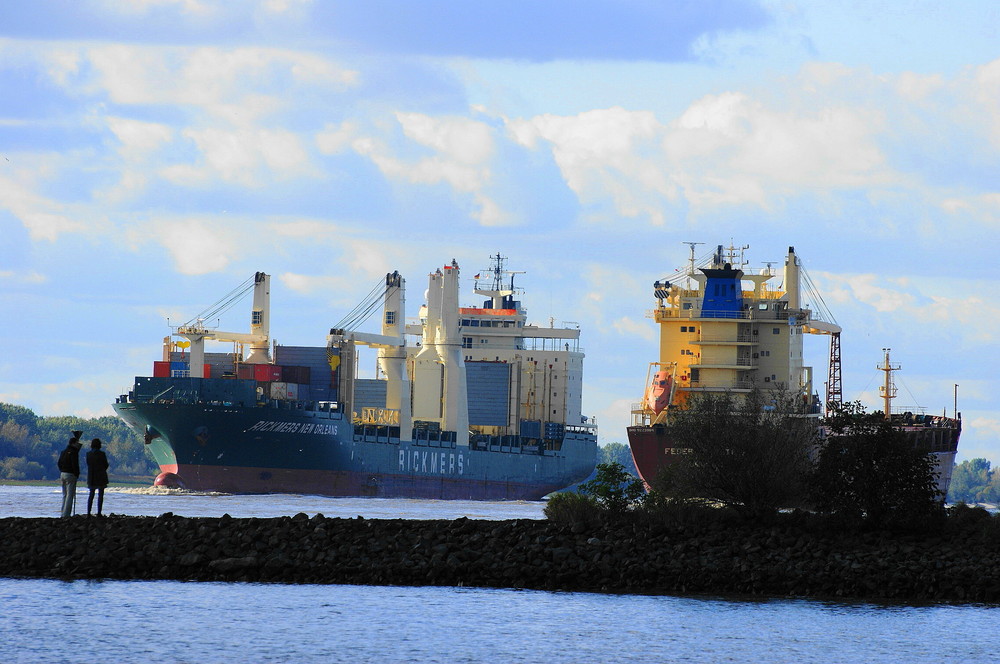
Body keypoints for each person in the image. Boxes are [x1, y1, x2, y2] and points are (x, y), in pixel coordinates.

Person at [57, 432, 83, 518]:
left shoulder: (63, 452)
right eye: (77, 443)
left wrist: (62, 470)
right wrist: (77, 474)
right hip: (70, 474)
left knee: (65, 495)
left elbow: (59, 463)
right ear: (73, 443)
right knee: (70, 495)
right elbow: (75, 464)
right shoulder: (73, 452)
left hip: (63, 473)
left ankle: (63, 513)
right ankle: (66, 514)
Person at [86, 438, 110, 516]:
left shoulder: (88, 454)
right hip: (101, 476)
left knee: (91, 495)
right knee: (100, 495)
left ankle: (88, 512)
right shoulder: (102, 454)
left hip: (91, 476)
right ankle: (99, 512)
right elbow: (106, 464)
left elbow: (88, 464)